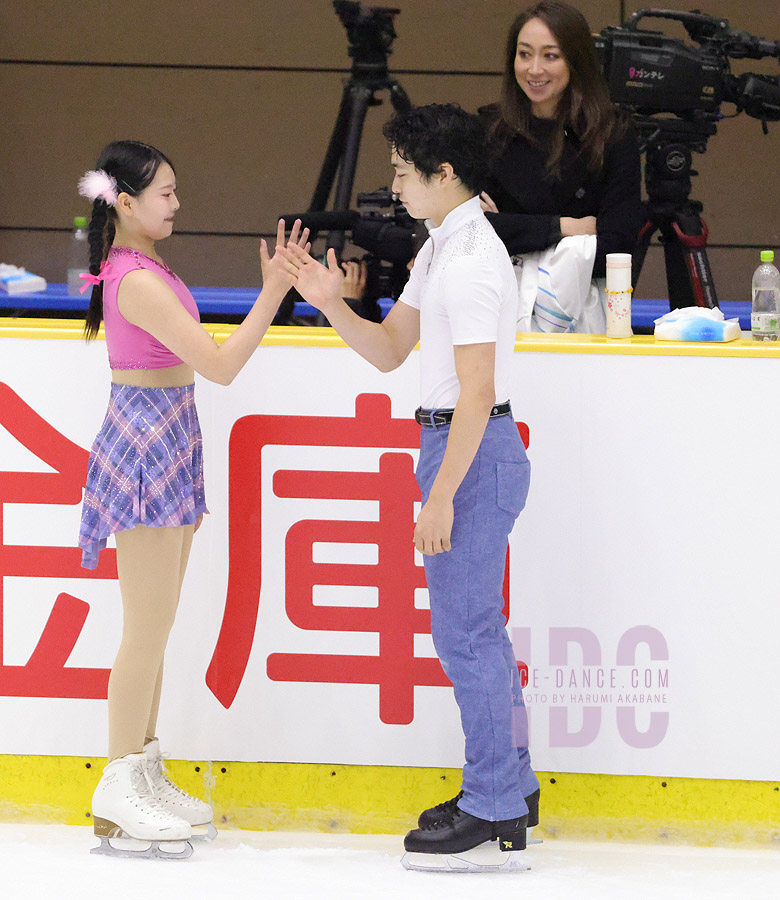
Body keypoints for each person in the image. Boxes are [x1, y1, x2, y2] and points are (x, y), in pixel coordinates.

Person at [277, 104, 539, 873]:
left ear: (444, 174)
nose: (392, 184)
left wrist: (442, 494)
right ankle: (509, 789)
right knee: (474, 632)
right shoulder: (439, 251)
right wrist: (331, 303)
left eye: (401, 171)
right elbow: (392, 349)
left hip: (472, 451)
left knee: (466, 636)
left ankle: (492, 805)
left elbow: (477, 386)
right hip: (458, 447)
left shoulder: (469, 261)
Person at [76, 140, 306, 859]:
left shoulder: (147, 265)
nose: (177, 203)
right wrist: (274, 290)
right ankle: (116, 782)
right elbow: (221, 366)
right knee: (144, 629)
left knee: (158, 623)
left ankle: (139, 769)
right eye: (166, 192)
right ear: (126, 202)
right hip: (146, 446)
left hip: (168, 437)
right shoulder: (135, 279)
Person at [480, 1, 643, 329]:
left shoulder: (613, 133)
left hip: (583, 311)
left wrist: (512, 229)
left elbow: (616, 247)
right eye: (524, 54)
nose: (534, 69)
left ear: (576, 61)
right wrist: (566, 228)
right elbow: (471, 234)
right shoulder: (488, 128)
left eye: (550, 56)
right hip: (496, 305)